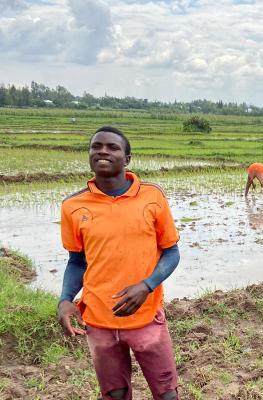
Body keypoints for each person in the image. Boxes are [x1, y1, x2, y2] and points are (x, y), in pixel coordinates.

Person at [57, 126, 181, 400]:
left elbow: (171, 252)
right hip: (99, 320)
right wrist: (66, 298)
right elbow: (77, 261)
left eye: (112, 147)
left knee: (167, 393)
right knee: (114, 393)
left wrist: (147, 286)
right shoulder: (73, 206)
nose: (102, 151)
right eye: (96, 146)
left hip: (145, 317)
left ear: (127, 159)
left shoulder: (152, 197)